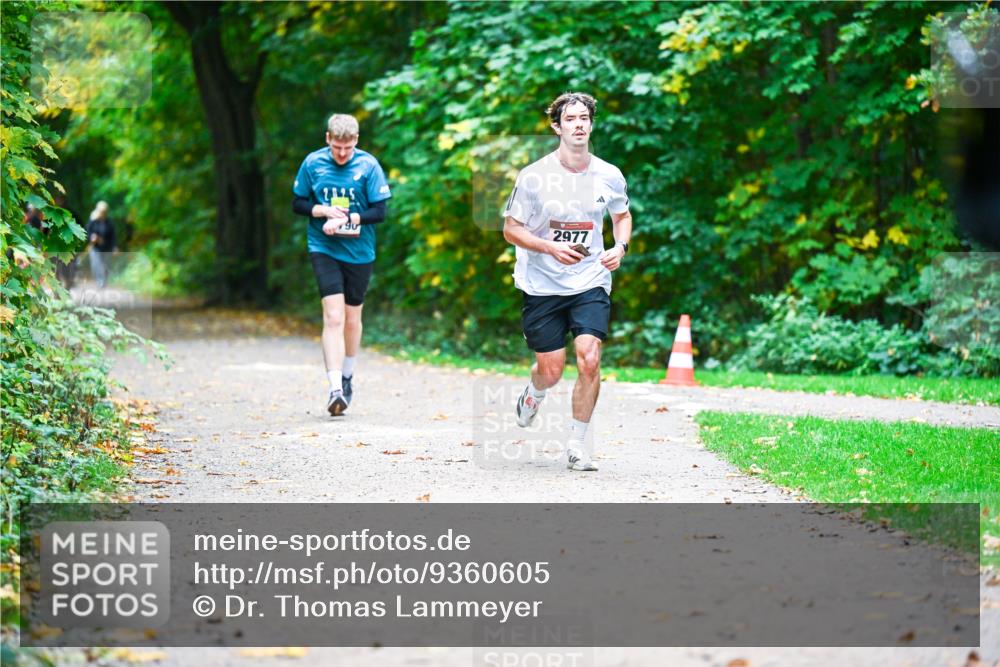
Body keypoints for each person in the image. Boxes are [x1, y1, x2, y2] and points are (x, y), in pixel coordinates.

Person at [502, 92, 633, 472]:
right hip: (542, 283)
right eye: (571, 119)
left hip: (590, 277)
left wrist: (619, 247)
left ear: (591, 124)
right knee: (552, 369)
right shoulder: (533, 176)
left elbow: (622, 216)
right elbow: (511, 230)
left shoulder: (609, 174)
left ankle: (577, 445)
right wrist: (547, 248)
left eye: (584, 118)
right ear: (556, 126)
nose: (579, 124)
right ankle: (535, 392)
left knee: (589, 358)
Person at [292, 114, 392, 416]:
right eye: (337, 147)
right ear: (328, 139)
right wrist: (322, 211)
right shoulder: (312, 163)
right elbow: (298, 203)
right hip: (323, 247)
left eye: (347, 148)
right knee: (333, 317)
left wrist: (348, 218)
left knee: (351, 319)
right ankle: (335, 387)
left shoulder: (368, 165)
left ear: (356, 141)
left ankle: (348, 375)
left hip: (359, 251)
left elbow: (380, 211)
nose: (342, 154)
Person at [85, 201, 116, 288]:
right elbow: (87, 232)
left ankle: (104, 281)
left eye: (104, 211)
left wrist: (114, 247)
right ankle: (100, 281)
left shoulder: (109, 222)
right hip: (95, 248)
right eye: (101, 211)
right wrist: (92, 237)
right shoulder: (93, 221)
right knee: (96, 264)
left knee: (106, 265)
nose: (103, 213)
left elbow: (113, 236)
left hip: (107, 248)